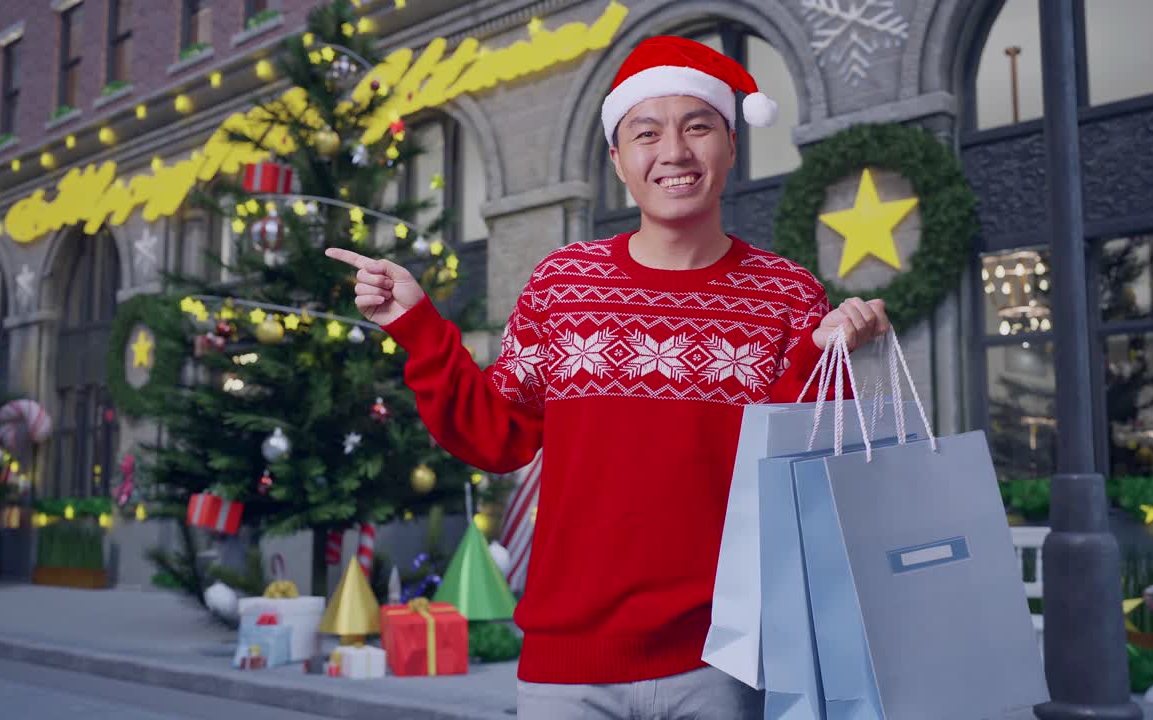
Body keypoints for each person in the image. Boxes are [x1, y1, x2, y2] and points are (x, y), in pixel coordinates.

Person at [327, 35, 889, 720]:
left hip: (727, 657)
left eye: (698, 126)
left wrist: (823, 354)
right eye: (646, 133)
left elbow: (804, 471)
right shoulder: (564, 283)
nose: (674, 152)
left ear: (731, 146)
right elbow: (496, 435)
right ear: (619, 160)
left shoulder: (788, 293)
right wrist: (417, 325)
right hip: (570, 666)